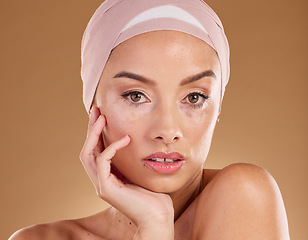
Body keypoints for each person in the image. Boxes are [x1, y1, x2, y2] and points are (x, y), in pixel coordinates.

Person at [10, 0, 290, 239]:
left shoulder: (244, 195)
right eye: (135, 96)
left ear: (217, 108)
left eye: (194, 97)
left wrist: (156, 228)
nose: (167, 131)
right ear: (94, 105)